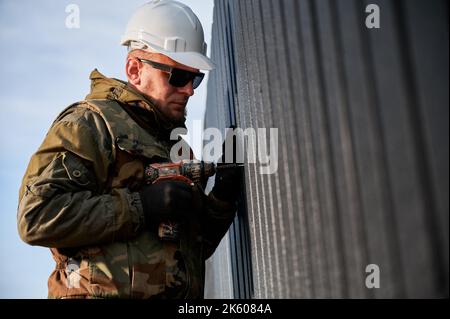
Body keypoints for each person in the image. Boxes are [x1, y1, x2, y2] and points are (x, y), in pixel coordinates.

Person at [17, 0, 240, 299]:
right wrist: (141, 207)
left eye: (195, 77)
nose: (190, 90)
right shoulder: (91, 124)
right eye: (178, 76)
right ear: (135, 69)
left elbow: (192, 251)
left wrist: (221, 200)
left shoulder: (177, 148)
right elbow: (36, 216)